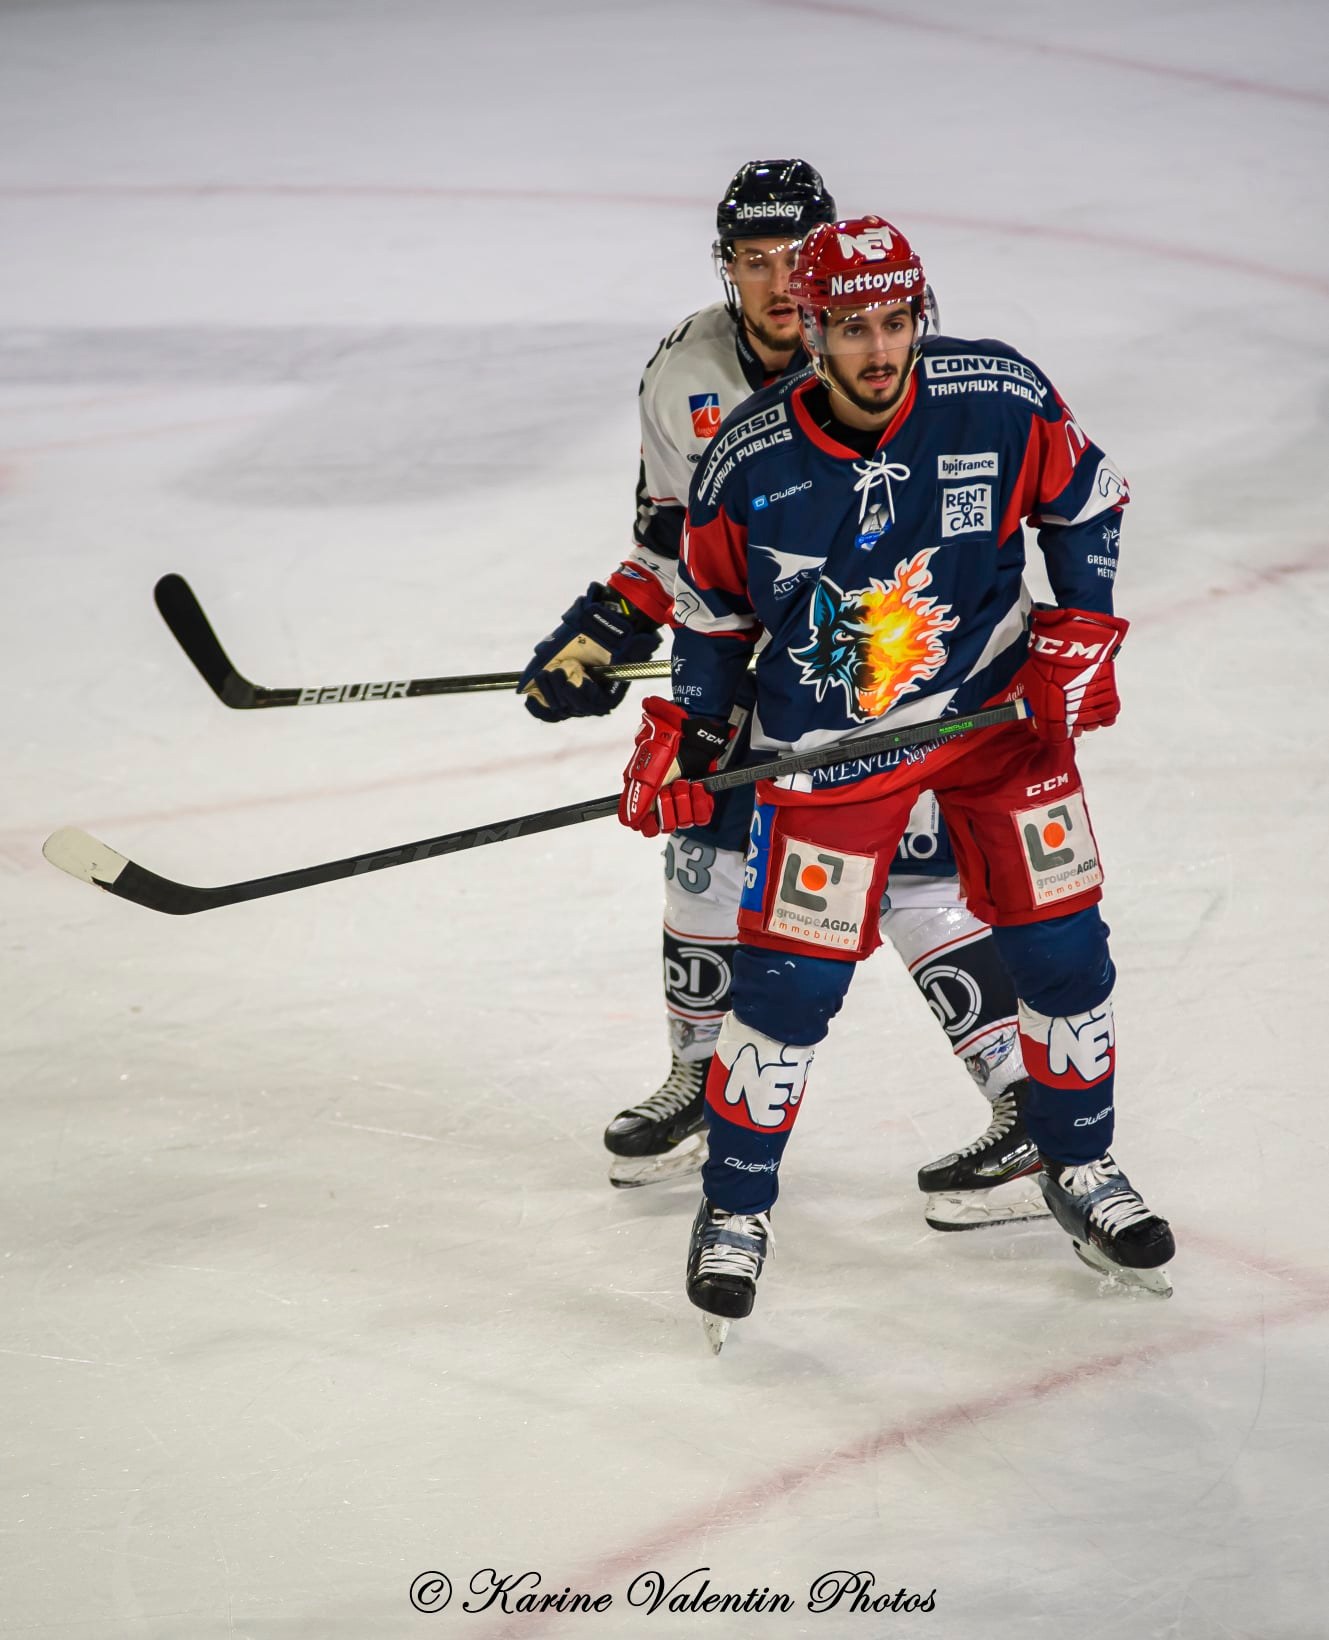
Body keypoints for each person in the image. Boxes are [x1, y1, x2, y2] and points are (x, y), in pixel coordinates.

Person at [617, 214, 1175, 1343]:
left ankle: (1080, 1161)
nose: (880, 350)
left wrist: (1079, 634)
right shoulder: (751, 462)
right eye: (853, 327)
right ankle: (734, 1209)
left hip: (993, 720)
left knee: (1067, 948)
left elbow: (1087, 500)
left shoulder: (999, 395)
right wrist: (692, 738)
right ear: (813, 331)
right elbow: (714, 617)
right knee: (783, 993)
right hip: (836, 757)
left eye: (896, 321)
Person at [519, 163, 1045, 1233]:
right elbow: (672, 536)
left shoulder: (887, 366)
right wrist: (604, 624)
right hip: (748, 666)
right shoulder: (685, 373)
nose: (776, 285)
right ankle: (703, 1087)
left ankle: (1029, 1101)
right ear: (727, 268)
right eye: (752, 263)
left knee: (911, 875)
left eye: (791, 261)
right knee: (704, 857)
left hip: (882, 672)